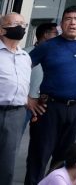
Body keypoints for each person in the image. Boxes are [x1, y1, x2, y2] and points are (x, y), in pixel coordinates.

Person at [26, 6, 76, 185]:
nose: (73, 22)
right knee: (39, 155)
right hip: (49, 107)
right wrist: (28, 98)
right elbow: (21, 68)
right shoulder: (48, 46)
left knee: (65, 157)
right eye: (68, 19)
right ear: (62, 23)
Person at [0, 12, 31, 185]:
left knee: (7, 162)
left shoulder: (25, 56)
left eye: (23, 24)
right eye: (15, 24)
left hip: (16, 114)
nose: (20, 28)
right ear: (2, 30)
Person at [25, 23, 58, 132]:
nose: (59, 36)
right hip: (25, 104)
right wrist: (27, 98)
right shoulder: (25, 53)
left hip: (46, 105)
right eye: (56, 33)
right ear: (46, 35)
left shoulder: (57, 54)